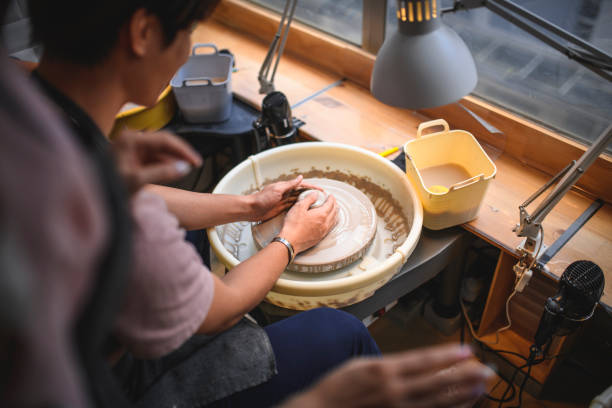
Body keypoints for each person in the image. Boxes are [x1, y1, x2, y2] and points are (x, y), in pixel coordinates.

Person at [25, 0, 494, 407]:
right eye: (187, 31)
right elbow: (221, 306)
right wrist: (291, 241)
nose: (188, 49)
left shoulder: (28, 104)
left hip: (59, 337)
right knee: (342, 334)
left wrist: (248, 206)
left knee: (192, 235)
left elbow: (138, 198)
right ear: (143, 31)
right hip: (103, 387)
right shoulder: (93, 204)